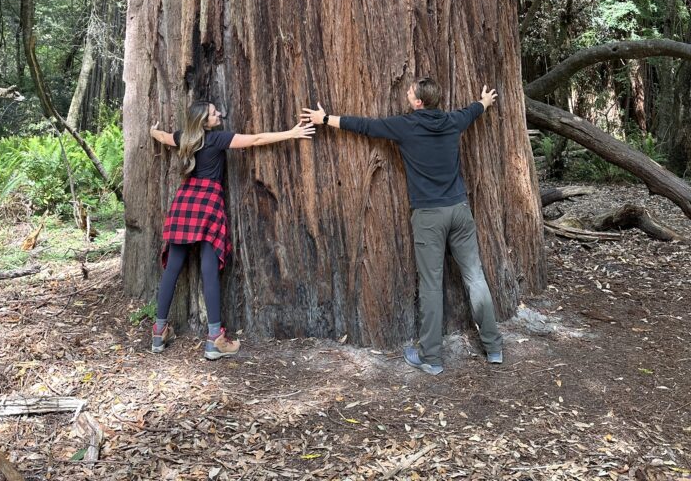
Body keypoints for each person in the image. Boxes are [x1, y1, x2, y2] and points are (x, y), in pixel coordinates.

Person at [302, 79, 501, 376]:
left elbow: (366, 126)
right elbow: (472, 111)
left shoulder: (406, 126)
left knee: (432, 286)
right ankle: (494, 347)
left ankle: (431, 358)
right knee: (475, 278)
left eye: (410, 92)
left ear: (419, 102)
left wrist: (325, 119)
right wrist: (484, 103)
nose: (406, 93)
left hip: (429, 216)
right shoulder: (451, 121)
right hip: (460, 210)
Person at [149, 101, 314, 359]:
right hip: (207, 203)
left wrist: (152, 131)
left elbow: (162, 137)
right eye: (214, 113)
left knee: (173, 267)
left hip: (184, 202)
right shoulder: (217, 139)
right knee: (209, 267)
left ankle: (158, 332)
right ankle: (215, 339)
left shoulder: (185, 137)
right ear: (204, 122)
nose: (219, 115)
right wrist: (291, 133)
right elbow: (256, 139)